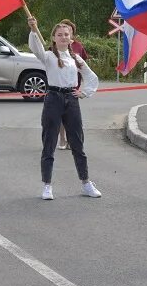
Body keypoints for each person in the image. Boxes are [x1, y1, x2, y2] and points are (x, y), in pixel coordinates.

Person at [27, 17, 101, 200]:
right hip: (53, 99)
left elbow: (92, 77)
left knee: (77, 143)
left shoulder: (76, 59)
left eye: (66, 34)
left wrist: (83, 93)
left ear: (72, 38)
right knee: (49, 142)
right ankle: (47, 185)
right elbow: (35, 47)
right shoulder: (49, 56)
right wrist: (33, 29)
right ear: (53, 38)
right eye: (59, 34)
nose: (63, 37)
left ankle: (86, 182)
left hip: (71, 100)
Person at [57, 18, 88, 151]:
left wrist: (84, 87)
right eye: (63, 32)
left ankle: (72, 140)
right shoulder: (56, 47)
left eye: (69, 31)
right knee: (60, 114)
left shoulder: (78, 46)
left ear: (72, 33)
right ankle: (62, 138)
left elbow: (84, 65)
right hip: (58, 87)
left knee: (72, 116)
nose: (66, 34)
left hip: (74, 86)